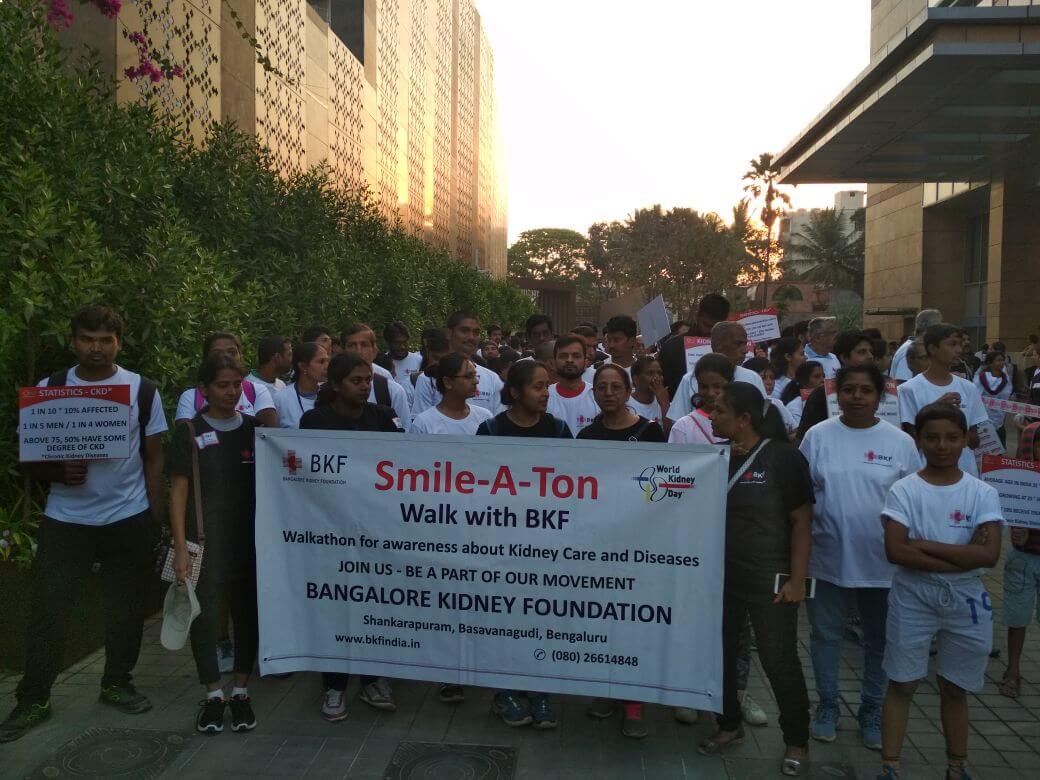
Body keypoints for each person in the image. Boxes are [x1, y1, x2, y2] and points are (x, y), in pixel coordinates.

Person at [1, 305, 167, 743]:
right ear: (73, 341)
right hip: (65, 518)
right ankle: (33, 698)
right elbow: (28, 457)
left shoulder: (142, 390)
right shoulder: (49, 389)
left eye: (105, 340)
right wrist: (54, 471)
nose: (96, 348)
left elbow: (154, 457)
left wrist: (154, 518)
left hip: (126, 517)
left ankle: (117, 682)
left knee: (125, 609)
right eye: (88, 339)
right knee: (48, 609)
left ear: (119, 342)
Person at [877, 404, 1003, 780]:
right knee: (902, 682)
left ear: (966, 439)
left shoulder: (982, 492)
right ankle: (890, 765)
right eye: (932, 437)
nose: (942, 446)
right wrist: (964, 558)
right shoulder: (904, 490)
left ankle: (956, 766)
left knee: (955, 686)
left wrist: (923, 545)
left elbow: (990, 555)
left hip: (966, 599)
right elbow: (895, 551)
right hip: (913, 594)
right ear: (918, 439)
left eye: (951, 437)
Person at [798, 365, 920, 750]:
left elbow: (914, 501)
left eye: (865, 390)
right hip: (826, 558)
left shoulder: (900, 442)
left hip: (883, 564)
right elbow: (801, 496)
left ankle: (871, 709)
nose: (856, 397)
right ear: (837, 394)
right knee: (825, 636)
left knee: (878, 640)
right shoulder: (818, 436)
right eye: (849, 389)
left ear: (880, 396)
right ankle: (827, 705)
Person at [697, 383, 812, 776]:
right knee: (722, 654)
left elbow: (802, 522)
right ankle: (729, 724)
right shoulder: (718, 457)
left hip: (770, 578)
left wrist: (797, 579)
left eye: (719, 411)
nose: (712, 417)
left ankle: (797, 740)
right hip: (724, 576)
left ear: (743, 419)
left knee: (779, 660)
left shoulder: (783, 458)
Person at [300, 353, 403, 721]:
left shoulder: (382, 416)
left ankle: (372, 679)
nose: (363, 387)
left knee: (374, 604)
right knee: (337, 607)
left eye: (367, 380)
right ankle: (335, 686)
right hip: (332, 530)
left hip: (377, 529)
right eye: (356, 381)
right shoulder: (315, 421)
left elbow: (405, 461)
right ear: (336, 384)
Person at [477, 361, 571, 729]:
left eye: (547, 386)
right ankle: (504, 692)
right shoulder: (490, 430)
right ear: (515, 392)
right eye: (537, 386)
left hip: (546, 544)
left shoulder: (559, 430)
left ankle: (539, 689)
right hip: (501, 544)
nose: (546, 393)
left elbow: (577, 482)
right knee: (503, 619)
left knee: (541, 618)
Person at [169, 355, 259, 734]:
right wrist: (180, 548)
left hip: (249, 544)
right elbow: (178, 492)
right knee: (204, 620)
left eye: (237, 384)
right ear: (203, 389)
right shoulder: (189, 431)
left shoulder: (255, 429)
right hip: (203, 545)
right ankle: (213, 695)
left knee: (247, 617)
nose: (231, 392)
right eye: (222, 385)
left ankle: (240, 691)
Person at [578, 364, 665, 739]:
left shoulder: (651, 432)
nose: (609, 393)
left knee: (632, 624)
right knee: (601, 620)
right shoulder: (586, 436)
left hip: (639, 544)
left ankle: (634, 703)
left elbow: (661, 488)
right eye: (602, 387)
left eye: (616, 386)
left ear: (629, 391)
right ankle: (605, 689)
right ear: (594, 393)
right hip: (599, 544)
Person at [897, 324, 987, 477]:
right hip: (926, 475)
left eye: (960, 344)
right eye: (952, 344)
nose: (959, 350)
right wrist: (936, 409)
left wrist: (957, 425)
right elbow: (911, 444)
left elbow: (974, 442)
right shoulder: (908, 390)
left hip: (965, 473)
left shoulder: (969, 388)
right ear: (932, 348)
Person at [999, 420, 1040, 700]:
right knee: (1017, 617)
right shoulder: (1030, 434)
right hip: (1023, 556)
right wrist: (1015, 526)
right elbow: (1012, 500)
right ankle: (1012, 671)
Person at [668, 321, 767, 423]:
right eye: (738, 344)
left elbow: (764, 417)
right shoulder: (690, 379)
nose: (746, 350)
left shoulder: (753, 378)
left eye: (745, 344)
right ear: (719, 346)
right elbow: (677, 422)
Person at [175, 332, 277, 427]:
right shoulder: (191, 397)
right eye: (217, 353)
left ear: (240, 356)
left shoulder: (257, 391)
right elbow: (185, 435)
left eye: (232, 352)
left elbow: (270, 434)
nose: (226, 357)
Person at [412, 312, 504, 417]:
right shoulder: (428, 379)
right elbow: (421, 422)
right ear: (449, 333)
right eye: (464, 330)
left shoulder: (492, 379)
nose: (471, 337)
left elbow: (499, 422)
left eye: (476, 332)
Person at [797, 330, 880, 440]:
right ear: (844, 358)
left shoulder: (883, 389)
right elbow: (806, 438)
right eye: (862, 352)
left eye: (871, 352)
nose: (870, 356)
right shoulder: (821, 394)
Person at [658, 293, 732, 398]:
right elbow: (664, 387)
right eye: (706, 325)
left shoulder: (731, 348)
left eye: (716, 327)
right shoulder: (672, 347)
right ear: (698, 316)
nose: (710, 331)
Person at [341, 323, 413, 430]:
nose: (358, 351)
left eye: (364, 345)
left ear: (374, 351)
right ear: (343, 352)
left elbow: (405, 433)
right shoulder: (330, 389)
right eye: (352, 345)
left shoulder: (392, 391)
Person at [410, 353, 493, 437]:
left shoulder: (485, 417)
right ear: (447, 382)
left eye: (475, 375)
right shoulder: (423, 423)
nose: (476, 381)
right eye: (468, 376)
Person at [668, 354, 731, 445]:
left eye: (717, 386)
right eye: (704, 387)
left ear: (731, 382)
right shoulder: (683, 427)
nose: (710, 393)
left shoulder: (741, 422)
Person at [546, 335, 598, 436]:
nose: (569, 360)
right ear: (553, 363)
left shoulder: (596, 396)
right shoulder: (545, 396)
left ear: (586, 362)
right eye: (563, 356)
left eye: (576, 356)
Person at [272, 342, 330, 429]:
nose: (327, 366)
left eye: (327, 361)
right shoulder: (281, 399)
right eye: (321, 362)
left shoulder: (331, 395)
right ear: (303, 366)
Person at [745, 357, 796, 435]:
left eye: (772, 378)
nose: (769, 382)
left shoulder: (776, 403)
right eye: (763, 378)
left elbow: (795, 430)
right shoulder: (741, 404)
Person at [889, 309, 943, 382]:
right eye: (940, 327)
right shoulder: (909, 349)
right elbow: (903, 382)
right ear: (932, 328)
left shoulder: (919, 347)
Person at [973, 350, 1012, 446]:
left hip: (999, 417)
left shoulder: (1005, 379)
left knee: (999, 447)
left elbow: (1006, 397)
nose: (1001, 363)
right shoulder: (981, 377)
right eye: (998, 360)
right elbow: (975, 395)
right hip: (983, 417)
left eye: (1002, 360)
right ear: (990, 363)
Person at [627, 356, 671, 433]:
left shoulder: (666, 403)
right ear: (635, 379)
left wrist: (664, 404)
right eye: (650, 373)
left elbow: (671, 437)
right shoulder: (625, 405)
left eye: (659, 373)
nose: (656, 378)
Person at [382, 321, 423, 399]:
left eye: (405, 342)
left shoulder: (419, 360)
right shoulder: (382, 363)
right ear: (388, 343)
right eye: (397, 343)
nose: (402, 347)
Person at [782, 361, 824, 428]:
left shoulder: (829, 400)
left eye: (823, 376)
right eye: (817, 376)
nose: (823, 380)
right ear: (804, 382)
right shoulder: (794, 406)